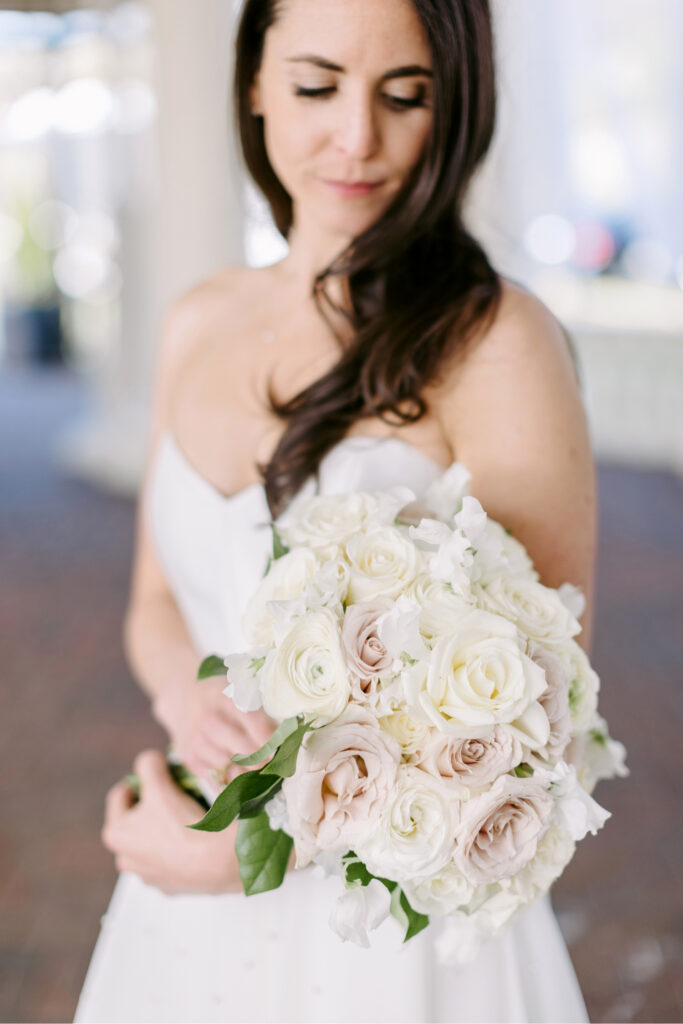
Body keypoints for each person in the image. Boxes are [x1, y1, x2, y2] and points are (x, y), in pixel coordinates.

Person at [74, 0, 595, 1020]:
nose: (356, 137)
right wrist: (193, 713)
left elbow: (550, 721)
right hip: (182, 889)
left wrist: (260, 846)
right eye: (315, 86)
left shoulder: (494, 342)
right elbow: (154, 603)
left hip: (391, 934)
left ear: (454, 107)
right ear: (256, 84)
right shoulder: (196, 320)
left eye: (404, 96)